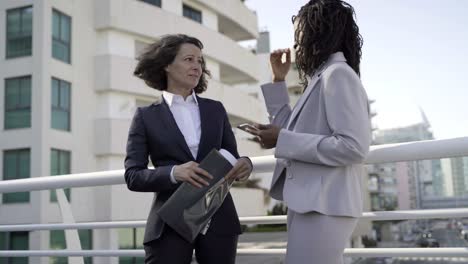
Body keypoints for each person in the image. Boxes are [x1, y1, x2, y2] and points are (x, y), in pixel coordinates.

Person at [249, 1, 371, 263]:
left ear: (320, 30)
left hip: (326, 204)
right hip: (311, 201)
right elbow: (290, 129)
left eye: (300, 32)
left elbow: (353, 146)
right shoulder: (322, 76)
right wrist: (278, 81)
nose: (296, 42)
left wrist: (281, 139)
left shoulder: (338, 74)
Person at [124, 34, 252, 264]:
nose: (197, 66)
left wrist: (245, 163)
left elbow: (231, 155)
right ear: (166, 65)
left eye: (200, 61)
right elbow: (133, 176)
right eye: (189, 59)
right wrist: (174, 173)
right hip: (169, 223)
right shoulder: (145, 116)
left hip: (219, 219)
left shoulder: (216, 110)